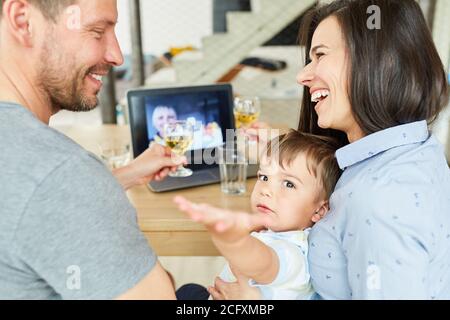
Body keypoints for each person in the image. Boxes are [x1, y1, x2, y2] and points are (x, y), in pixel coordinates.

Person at [188, 0, 450, 300]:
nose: (302, 76)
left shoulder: (378, 203)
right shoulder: (414, 149)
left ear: (379, 61)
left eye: (320, 55)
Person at [0, 0, 186, 299]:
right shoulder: (63, 175)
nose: (117, 56)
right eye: (98, 31)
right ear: (23, 20)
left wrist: (119, 177)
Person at [175, 130, 342, 300]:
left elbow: (261, 262)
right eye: (264, 177)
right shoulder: (275, 231)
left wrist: (233, 239)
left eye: (289, 184)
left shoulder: (293, 253)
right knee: (189, 290)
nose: (266, 190)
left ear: (319, 211)